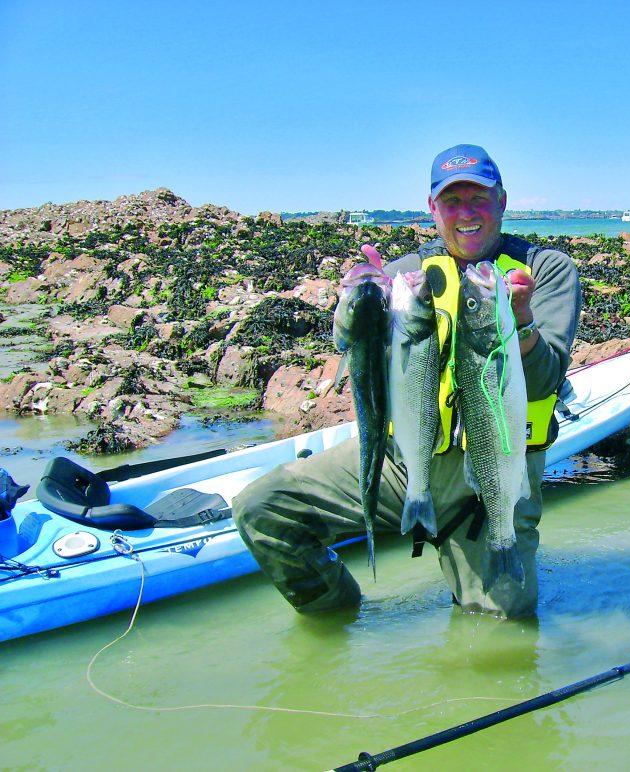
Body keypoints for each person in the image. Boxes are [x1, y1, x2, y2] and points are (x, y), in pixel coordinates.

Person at [233, 144, 582, 618]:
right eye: (452, 201)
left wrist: (520, 323)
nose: (466, 213)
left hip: (494, 474)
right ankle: (336, 616)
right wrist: (353, 301)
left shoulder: (545, 270)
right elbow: (351, 347)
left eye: (479, 199)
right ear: (432, 208)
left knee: (505, 631)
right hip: (405, 462)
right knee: (263, 508)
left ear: (502, 201)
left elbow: (543, 381)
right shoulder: (406, 275)